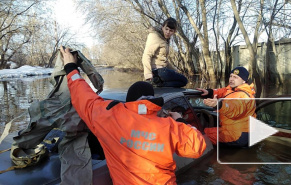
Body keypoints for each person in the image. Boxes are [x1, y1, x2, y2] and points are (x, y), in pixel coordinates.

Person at [60, 46, 206, 184]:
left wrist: (71, 68)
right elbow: (197, 147)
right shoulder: (170, 127)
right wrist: (180, 120)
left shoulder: (109, 117)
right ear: (152, 100)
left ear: (129, 101)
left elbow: (84, 97)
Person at [197, 66, 256, 147]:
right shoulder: (233, 89)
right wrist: (210, 92)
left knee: (200, 136)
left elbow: (234, 109)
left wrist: (218, 105)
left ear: (243, 81)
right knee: (205, 131)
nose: (231, 79)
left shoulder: (243, 96)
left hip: (238, 135)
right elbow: (223, 91)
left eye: (235, 77)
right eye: (231, 76)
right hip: (233, 129)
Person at [142, 17, 188, 87]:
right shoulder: (154, 36)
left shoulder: (165, 40)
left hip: (162, 70)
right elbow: (146, 55)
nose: (168, 32)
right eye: (166, 29)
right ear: (162, 27)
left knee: (181, 81)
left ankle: (158, 84)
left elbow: (164, 60)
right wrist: (148, 75)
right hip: (157, 71)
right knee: (184, 80)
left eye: (171, 30)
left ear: (174, 32)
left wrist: (175, 70)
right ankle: (158, 84)